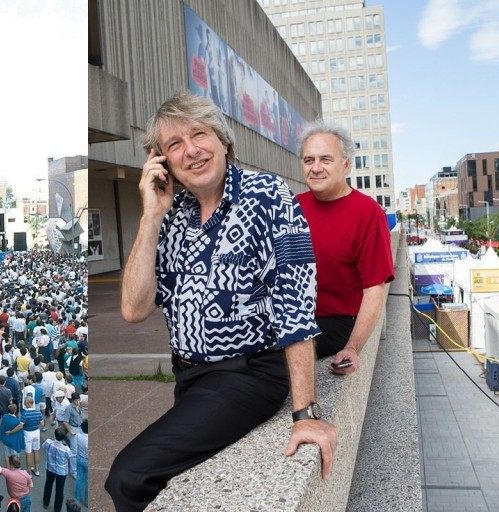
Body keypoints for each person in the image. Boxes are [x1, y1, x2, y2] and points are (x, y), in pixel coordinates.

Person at [105, 92, 337, 511]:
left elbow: (295, 302)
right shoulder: (172, 213)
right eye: (175, 145)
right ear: (162, 162)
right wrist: (151, 214)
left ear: (224, 142)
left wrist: (305, 413)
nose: (191, 150)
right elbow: (134, 309)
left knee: (129, 476)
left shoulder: (266, 195)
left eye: (199, 134)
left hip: (248, 374)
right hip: (190, 377)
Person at [296, 120, 395, 375]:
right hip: (292, 318)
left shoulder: (368, 213)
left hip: (337, 323)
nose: (316, 168)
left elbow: (374, 288)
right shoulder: (291, 207)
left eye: (325, 159)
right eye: (309, 160)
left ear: (346, 165)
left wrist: (352, 348)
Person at [42, 427, 76, 512]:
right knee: (59, 490)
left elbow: (44, 446)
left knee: (48, 485)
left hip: (50, 468)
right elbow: (69, 456)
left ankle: (45, 503)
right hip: (61, 472)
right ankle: (57, 509)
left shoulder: (48, 442)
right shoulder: (66, 449)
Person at [74, 420, 88, 507]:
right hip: (87, 460)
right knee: (87, 481)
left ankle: (77, 498)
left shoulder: (78, 436)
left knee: (79, 478)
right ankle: (87, 501)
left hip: (79, 457)